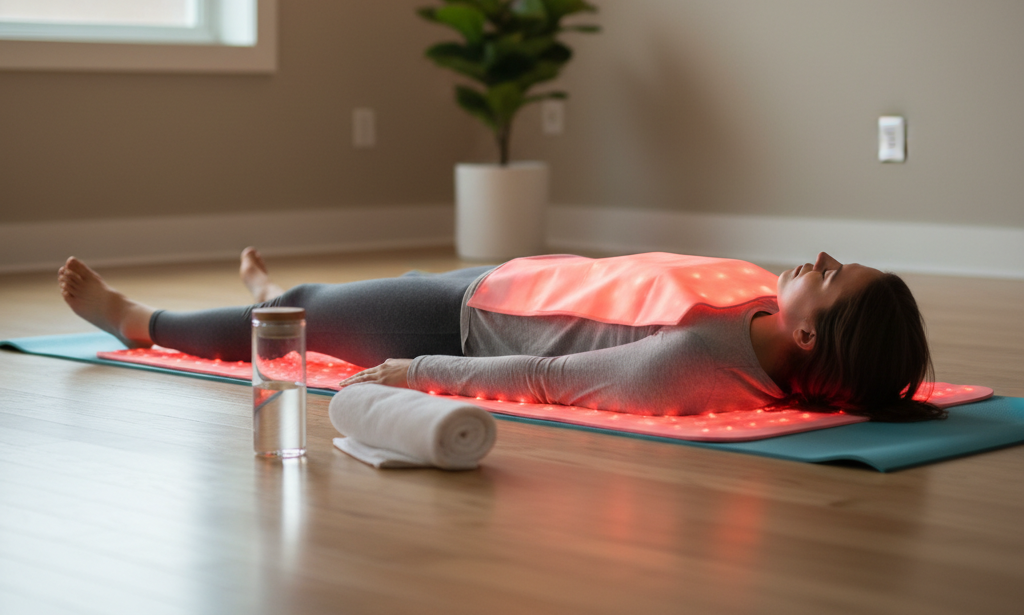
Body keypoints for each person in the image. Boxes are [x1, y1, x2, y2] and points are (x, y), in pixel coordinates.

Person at [57, 248, 944, 421]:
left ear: (806, 340)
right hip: (508, 278)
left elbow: (542, 380)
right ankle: (278, 288)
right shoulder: (765, 314)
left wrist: (410, 370)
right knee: (327, 295)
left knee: (296, 317)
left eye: (830, 278)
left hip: (462, 323)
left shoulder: (692, 369)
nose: (820, 258)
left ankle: (138, 320)